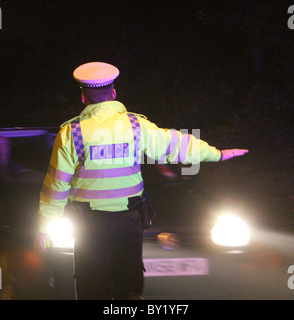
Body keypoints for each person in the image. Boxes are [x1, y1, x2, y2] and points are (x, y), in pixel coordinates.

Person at [35, 62, 248, 300]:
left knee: (92, 287)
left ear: (83, 97)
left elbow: (56, 187)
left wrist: (45, 228)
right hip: (129, 222)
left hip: (89, 226)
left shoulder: (70, 134)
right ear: (114, 93)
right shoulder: (136, 126)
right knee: (129, 289)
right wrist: (216, 154)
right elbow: (176, 144)